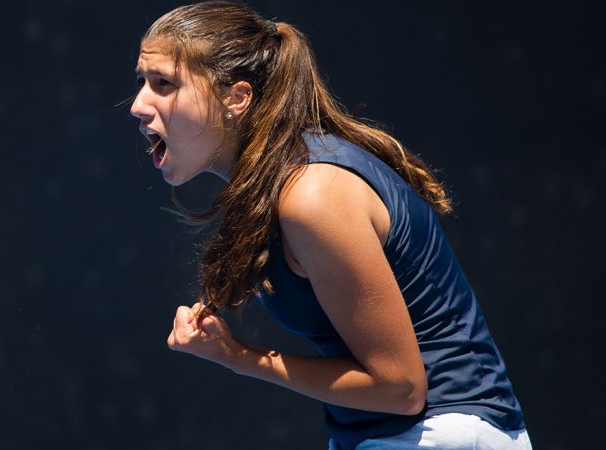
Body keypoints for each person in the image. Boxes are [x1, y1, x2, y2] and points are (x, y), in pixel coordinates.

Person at [129, 2, 532, 449]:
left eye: (164, 84)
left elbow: (400, 388)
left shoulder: (312, 196)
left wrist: (240, 358)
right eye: (142, 81)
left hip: (444, 432)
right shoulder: (282, 183)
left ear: (236, 99)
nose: (138, 105)